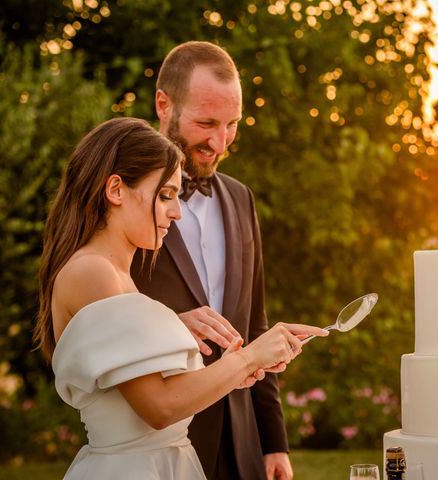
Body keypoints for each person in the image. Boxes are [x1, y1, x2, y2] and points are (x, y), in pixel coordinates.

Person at [33, 117, 327, 479]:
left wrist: (236, 370)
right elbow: (158, 407)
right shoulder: (93, 272)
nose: (176, 211)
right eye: (165, 195)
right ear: (116, 189)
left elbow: (163, 390)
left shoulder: (118, 276)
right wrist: (251, 356)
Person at [129, 42, 296, 480]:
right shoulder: (121, 198)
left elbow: (254, 322)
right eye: (205, 123)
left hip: (242, 443)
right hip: (158, 438)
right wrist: (173, 325)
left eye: (232, 125)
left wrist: (273, 440)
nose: (219, 142)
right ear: (163, 105)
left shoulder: (241, 198)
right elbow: (96, 315)